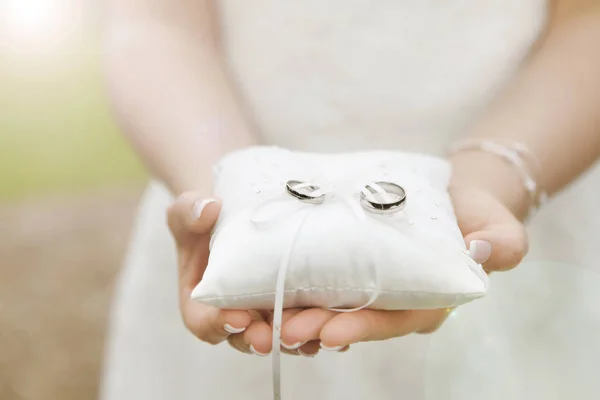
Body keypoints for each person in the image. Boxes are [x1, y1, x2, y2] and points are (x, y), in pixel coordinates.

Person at [100, 1, 600, 399]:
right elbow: (155, 20)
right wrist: (226, 193)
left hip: (531, 146)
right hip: (217, 163)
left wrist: (490, 182)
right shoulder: (231, 206)